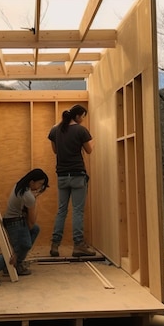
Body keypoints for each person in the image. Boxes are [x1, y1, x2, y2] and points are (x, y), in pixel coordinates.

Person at [0, 168, 49, 287]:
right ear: (32, 182)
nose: (40, 187)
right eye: (40, 183)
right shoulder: (28, 196)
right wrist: (17, 251)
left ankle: (16, 264)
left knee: (34, 231)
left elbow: (32, 225)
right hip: (15, 222)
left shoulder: (20, 185)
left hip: (13, 220)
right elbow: (32, 221)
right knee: (19, 248)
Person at [48, 104, 96, 258]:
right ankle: (78, 245)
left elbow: (55, 150)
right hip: (77, 175)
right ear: (77, 116)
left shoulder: (55, 129)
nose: (83, 119)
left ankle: (55, 245)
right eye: (82, 116)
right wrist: (92, 141)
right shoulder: (81, 130)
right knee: (77, 211)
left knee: (61, 210)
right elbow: (89, 150)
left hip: (62, 175)